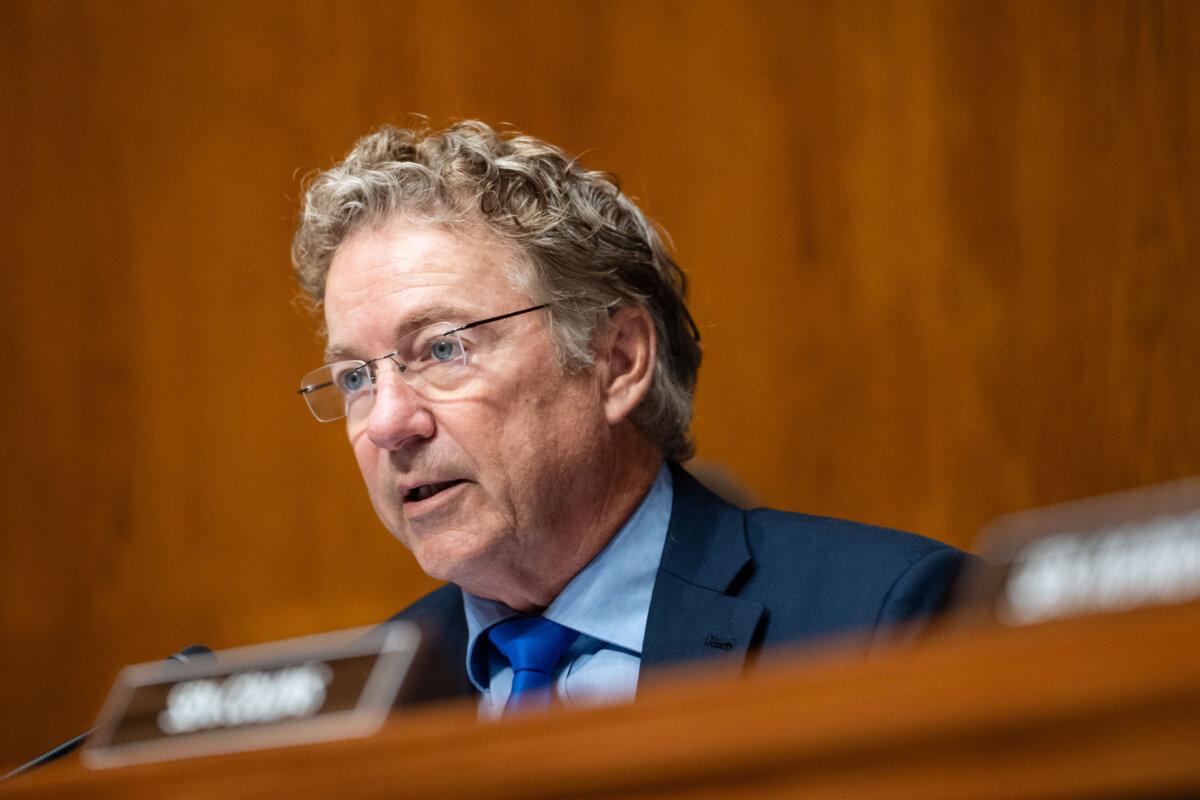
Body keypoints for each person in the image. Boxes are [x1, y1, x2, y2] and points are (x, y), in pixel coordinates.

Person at [291, 121, 970, 716]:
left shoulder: (881, 622)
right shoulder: (363, 701)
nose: (386, 422)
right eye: (356, 376)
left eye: (443, 349)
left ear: (617, 361)